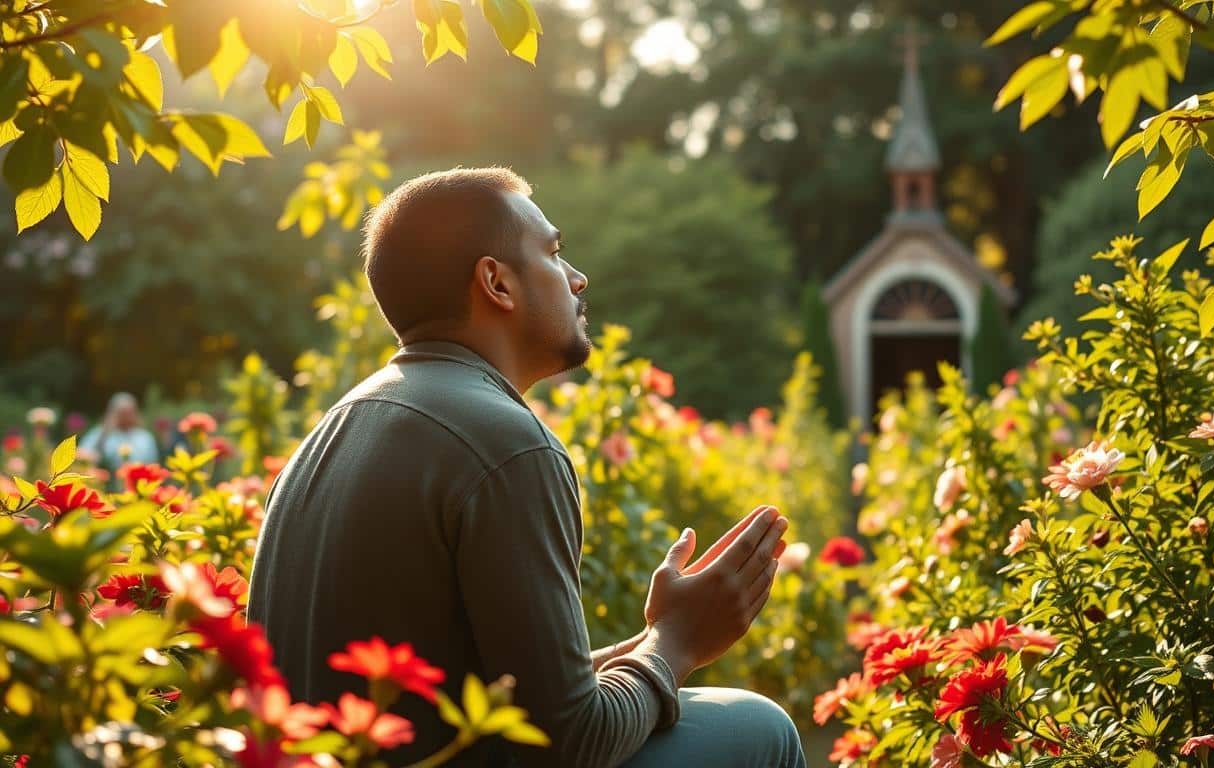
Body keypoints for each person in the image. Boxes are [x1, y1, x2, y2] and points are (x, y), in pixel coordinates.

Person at [248, 168, 806, 767]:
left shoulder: (330, 430)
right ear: (496, 283)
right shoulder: (507, 445)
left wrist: (648, 643)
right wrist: (677, 644)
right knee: (760, 727)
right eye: (555, 252)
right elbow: (570, 744)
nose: (578, 277)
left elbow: (518, 702)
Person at [77, 392, 159, 474]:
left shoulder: (144, 437)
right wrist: (105, 434)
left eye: (129, 412)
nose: (126, 417)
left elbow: (152, 465)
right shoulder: (100, 433)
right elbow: (82, 455)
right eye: (122, 413)